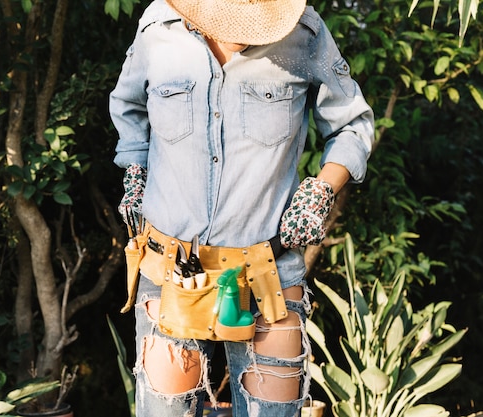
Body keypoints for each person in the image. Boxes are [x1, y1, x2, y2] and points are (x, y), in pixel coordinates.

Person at [109, 0, 374, 415]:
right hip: (171, 273)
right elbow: (129, 109)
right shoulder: (158, 28)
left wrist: (322, 189)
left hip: (268, 275)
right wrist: (135, 169)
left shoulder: (304, 35)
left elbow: (352, 124)